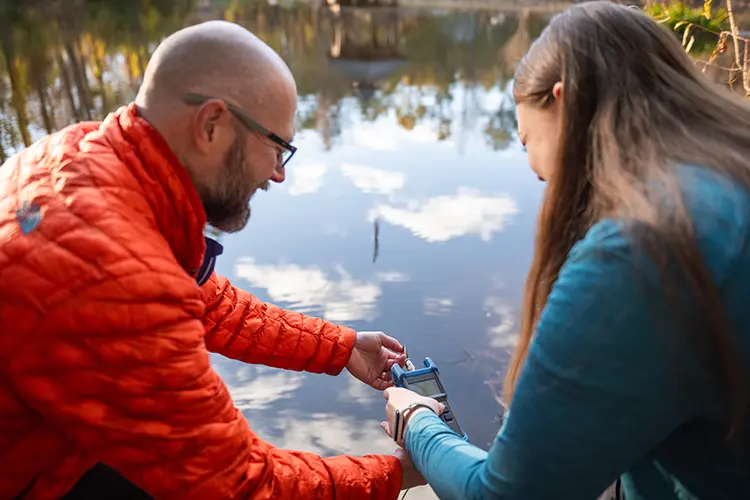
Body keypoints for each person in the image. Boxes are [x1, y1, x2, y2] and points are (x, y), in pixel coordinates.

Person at [0, 20, 421, 500]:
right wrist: (396, 473)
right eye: (277, 147)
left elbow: (209, 303)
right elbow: (237, 484)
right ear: (212, 125)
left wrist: (340, 347)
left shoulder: (81, 157)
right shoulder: (110, 274)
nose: (278, 175)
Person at [381, 2, 750, 499]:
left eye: (528, 142)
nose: (539, 176)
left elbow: (505, 495)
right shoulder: (730, 179)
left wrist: (418, 423)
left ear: (565, 101)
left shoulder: (638, 253)